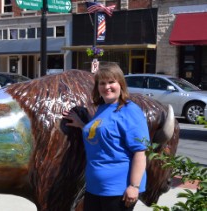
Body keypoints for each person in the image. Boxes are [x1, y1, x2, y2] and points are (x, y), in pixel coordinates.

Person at [63, 63, 149, 211]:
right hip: (94, 187)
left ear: (120, 83)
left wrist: (134, 186)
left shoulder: (130, 111)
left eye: (111, 82)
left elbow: (140, 152)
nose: (107, 87)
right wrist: (82, 125)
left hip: (118, 189)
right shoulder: (102, 108)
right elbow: (103, 137)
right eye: (102, 83)